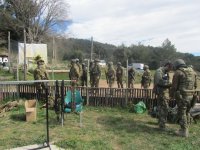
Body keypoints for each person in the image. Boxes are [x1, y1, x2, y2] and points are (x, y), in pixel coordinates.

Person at [170, 59, 197, 137]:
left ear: (177, 65)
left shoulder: (178, 73)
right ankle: (186, 129)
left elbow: (174, 87)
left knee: (182, 113)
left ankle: (184, 131)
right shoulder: (193, 72)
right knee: (187, 112)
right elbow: (195, 85)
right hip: (191, 96)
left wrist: (171, 95)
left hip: (182, 96)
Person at [153, 62, 172, 130]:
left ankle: (161, 122)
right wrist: (171, 83)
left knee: (162, 108)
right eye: (170, 68)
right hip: (162, 93)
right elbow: (159, 82)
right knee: (164, 108)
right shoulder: (159, 71)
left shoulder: (165, 72)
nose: (170, 70)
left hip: (164, 93)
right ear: (167, 66)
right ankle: (162, 125)